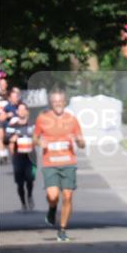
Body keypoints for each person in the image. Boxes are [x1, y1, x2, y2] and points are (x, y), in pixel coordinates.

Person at [34, 88, 85, 242]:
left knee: (68, 196)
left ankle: (62, 229)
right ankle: (51, 208)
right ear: (51, 103)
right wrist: (39, 142)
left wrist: (78, 140)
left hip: (68, 162)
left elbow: (82, 143)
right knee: (53, 195)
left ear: (65, 102)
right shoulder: (43, 118)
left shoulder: (72, 119)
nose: (58, 104)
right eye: (55, 102)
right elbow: (35, 138)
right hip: (50, 163)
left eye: (60, 102)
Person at [4, 102, 37, 211]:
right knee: (20, 183)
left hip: (31, 157)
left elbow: (40, 137)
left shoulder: (32, 125)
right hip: (18, 157)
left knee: (30, 180)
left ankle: (30, 196)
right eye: (20, 110)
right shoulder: (12, 125)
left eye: (24, 109)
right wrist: (11, 139)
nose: (22, 111)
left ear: (27, 111)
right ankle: (23, 203)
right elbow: (5, 139)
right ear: (17, 112)